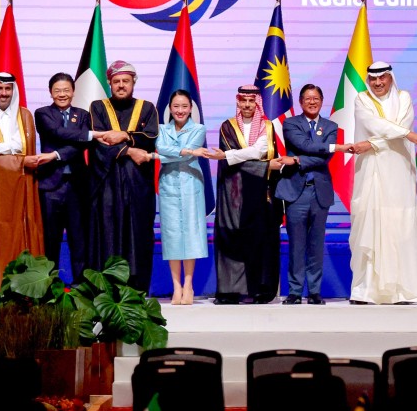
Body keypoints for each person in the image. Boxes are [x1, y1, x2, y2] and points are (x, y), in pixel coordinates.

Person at [349, 61, 417, 305]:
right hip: (371, 171)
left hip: (400, 172)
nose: (378, 83)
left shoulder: (404, 98)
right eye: (373, 79)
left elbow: (399, 127)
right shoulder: (362, 100)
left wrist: (375, 143)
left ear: (390, 78)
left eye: (382, 78)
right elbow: (374, 125)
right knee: (369, 222)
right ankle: (365, 291)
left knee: (401, 227)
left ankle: (404, 291)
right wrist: (407, 135)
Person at [0, 72, 51, 293]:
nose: (4, 93)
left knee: (21, 237)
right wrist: (16, 155)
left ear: (14, 90)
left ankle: (22, 293)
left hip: (21, 189)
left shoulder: (25, 116)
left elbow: (24, 149)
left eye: (8, 89)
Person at [206, 85, 286, 304]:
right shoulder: (227, 126)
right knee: (232, 239)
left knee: (259, 240)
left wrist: (230, 155)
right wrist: (264, 165)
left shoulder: (268, 127)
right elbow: (250, 158)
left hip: (261, 193)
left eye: (252, 101)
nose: (248, 105)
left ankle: (259, 290)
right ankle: (230, 291)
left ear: (257, 102)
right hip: (234, 191)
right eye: (243, 101)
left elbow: (259, 151)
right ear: (238, 102)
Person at [88, 61, 159, 293]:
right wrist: (130, 149)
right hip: (107, 182)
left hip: (138, 184)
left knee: (138, 233)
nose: (121, 86)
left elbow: (150, 138)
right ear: (109, 83)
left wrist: (123, 135)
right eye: (116, 81)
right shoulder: (98, 107)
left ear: (133, 83)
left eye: (125, 81)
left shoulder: (147, 108)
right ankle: (108, 288)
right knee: (108, 233)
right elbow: (98, 143)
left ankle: (137, 288)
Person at [276, 84, 349, 305]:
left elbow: (324, 158)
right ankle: (296, 291)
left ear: (321, 101)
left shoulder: (331, 125)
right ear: (301, 102)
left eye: (316, 98)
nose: (312, 101)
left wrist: (297, 159)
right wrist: (329, 147)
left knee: (316, 244)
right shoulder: (290, 123)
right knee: (296, 244)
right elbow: (303, 144)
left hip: (320, 192)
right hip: (295, 192)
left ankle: (315, 291)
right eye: (308, 98)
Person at [35, 73, 102, 283]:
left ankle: (81, 286)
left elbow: (82, 145)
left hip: (77, 187)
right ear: (50, 93)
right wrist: (88, 134)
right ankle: (50, 288)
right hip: (50, 187)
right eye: (57, 91)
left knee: (79, 240)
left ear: (73, 91)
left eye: (66, 90)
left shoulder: (83, 114)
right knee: (50, 241)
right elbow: (56, 133)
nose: (62, 94)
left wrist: (56, 154)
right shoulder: (42, 113)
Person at [155, 89, 208, 305]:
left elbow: (169, 153)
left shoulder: (199, 129)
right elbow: (160, 150)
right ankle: (176, 287)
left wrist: (173, 152)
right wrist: (184, 151)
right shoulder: (161, 129)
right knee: (172, 235)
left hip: (191, 184)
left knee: (191, 233)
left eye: (184, 106)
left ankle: (188, 285)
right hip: (168, 185)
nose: (180, 110)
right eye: (176, 106)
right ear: (170, 108)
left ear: (190, 109)